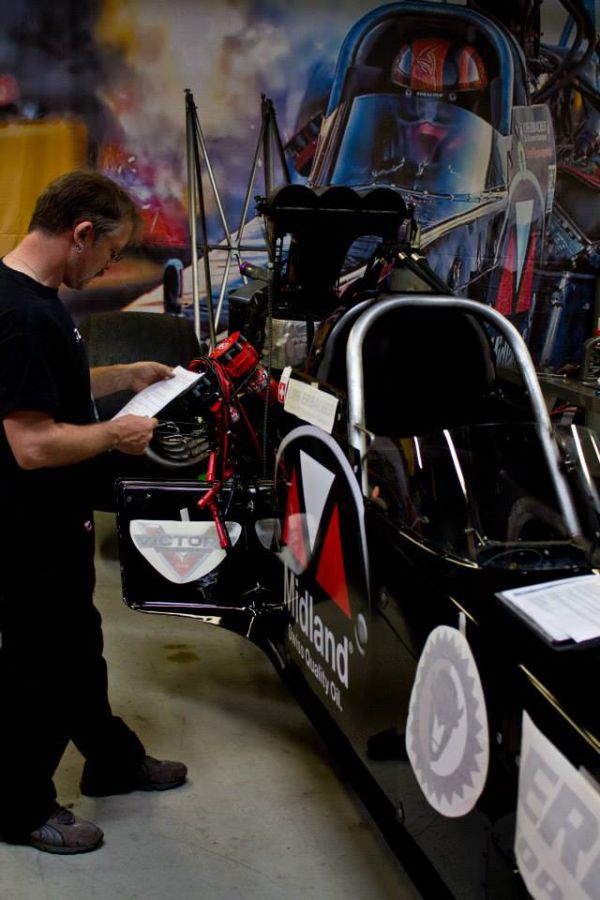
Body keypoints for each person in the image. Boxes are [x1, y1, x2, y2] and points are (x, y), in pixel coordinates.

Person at [0, 169, 188, 855]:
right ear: (81, 233)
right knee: (39, 669)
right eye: (109, 252)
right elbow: (30, 444)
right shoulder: (23, 316)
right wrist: (115, 434)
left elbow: (46, 386)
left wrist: (123, 376)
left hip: (55, 520)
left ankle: (111, 759)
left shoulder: (31, 295)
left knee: (79, 649)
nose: (110, 266)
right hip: (29, 528)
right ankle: (20, 809)